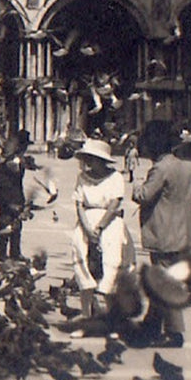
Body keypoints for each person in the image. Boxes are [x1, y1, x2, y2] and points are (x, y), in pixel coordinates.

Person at [131, 120, 191, 348]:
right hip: (186, 233)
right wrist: (190, 207)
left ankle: (175, 332)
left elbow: (145, 195)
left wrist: (136, 187)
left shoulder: (161, 168)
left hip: (165, 235)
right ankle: (151, 326)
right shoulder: (186, 165)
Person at [69, 138, 134, 334]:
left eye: (93, 159)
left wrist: (100, 227)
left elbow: (115, 204)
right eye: (87, 158)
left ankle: (113, 323)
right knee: (83, 268)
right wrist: (87, 228)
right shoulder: (82, 177)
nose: (89, 162)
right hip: (86, 223)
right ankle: (86, 321)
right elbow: (79, 203)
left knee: (111, 269)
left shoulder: (115, 178)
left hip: (110, 223)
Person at [0, 129, 56, 258]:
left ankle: (6, 253)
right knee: (11, 223)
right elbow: (14, 168)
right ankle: (8, 254)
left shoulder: (9, 156)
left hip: (4, 194)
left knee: (8, 223)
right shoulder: (13, 159)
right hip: (11, 195)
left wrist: (34, 166)